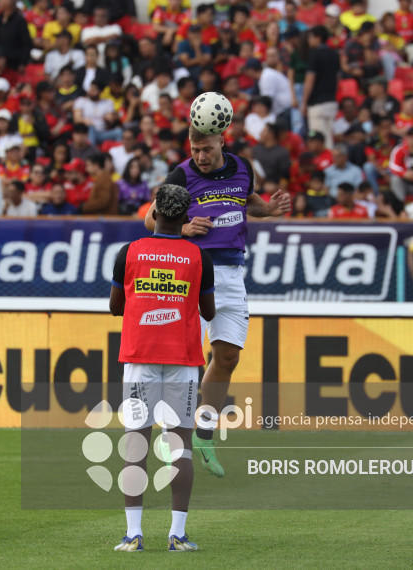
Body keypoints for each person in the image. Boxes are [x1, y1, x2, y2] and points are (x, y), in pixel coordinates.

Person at [144, 125, 291, 477]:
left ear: (221, 141)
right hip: (193, 273)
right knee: (184, 360)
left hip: (232, 274)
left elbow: (247, 201)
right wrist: (182, 229)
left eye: (207, 149)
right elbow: (151, 219)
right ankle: (170, 435)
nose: (200, 156)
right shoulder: (181, 175)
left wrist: (269, 209)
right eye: (195, 149)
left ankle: (204, 434)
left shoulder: (242, 167)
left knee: (228, 356)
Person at [110, 184, 215, 553]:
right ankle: (178, 535)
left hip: (140, 356)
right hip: (182, 360)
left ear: (153, 213)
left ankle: (133, 535)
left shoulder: (129, 252)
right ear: (186, 217)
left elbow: (115, 306)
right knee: (180, 447)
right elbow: (209, 312)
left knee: (136, 442)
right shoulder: (199, 256)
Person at [302, 25, 340, 149]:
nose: (309, 41)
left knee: (319, 142)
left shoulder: (314, 54)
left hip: (317, 103)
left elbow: (310, 80)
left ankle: (326, 161)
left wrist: (304, 102)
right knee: (329, 139)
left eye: (311, 38)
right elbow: (337, 78)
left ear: (318, 38)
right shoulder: (335, 54)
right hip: (331, 101)